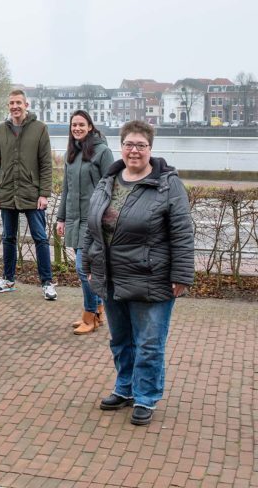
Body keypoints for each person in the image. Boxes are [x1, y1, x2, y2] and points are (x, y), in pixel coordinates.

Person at [83, 120, 194, 426]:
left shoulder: (168, 185)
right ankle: (125, 388)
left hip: (152, 277)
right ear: (122, 147)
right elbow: (92, 228)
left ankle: (145, 396)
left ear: (150, 149)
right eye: (129, 144)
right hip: (113, 277)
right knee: (120, 340)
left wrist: (181, 275)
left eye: (140, 145)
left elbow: (182, 234)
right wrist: (89, 267)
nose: (134, 151)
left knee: (148, 343)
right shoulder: (108, 181)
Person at [0, 89, 57, 300]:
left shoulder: (40, 129)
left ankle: (47, 282)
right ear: (8, 106)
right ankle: (8, 279)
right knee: (8, 237)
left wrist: (44, 193)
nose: (15, 106)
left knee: (40, 238)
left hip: (31, 192)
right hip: (8, 192)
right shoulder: (1, 131)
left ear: (26, 105)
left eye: (19, 102)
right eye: (11, 103)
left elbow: (46, 164)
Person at [55, 110, 114, 334]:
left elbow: (112, 187)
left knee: (83, 268)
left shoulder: (102, 152)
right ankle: (97, 310)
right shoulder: (72, 152)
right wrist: (61, 218)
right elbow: (67, 189)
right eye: (73, 125)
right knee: (84, 268)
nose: (77, 128)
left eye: (81, 124)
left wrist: (106, 218)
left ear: (90, 126)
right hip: (74, 218)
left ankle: (90, 314)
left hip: (94, 221)